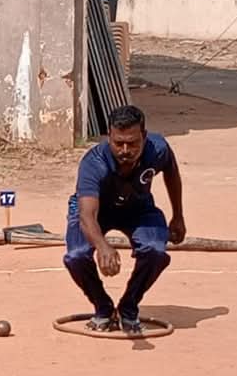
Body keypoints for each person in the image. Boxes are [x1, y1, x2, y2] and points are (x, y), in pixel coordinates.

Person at [63, 105, 186, 334]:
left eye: (133, 143)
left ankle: (129, 307)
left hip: (138, 207)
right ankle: (103, 307)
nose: (125, 151)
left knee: (155, 250)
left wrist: (178, 216)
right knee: (76, 256)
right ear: (109, 136)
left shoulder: (158, 148)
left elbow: (171, 172)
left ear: (144, 136)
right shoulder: (93, 163)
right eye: (118, 143)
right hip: (97, 212)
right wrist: (102, 246)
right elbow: (87, 215)